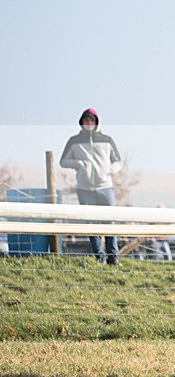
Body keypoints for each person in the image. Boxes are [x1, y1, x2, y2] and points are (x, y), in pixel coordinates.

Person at [59, 108, 123, 265]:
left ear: (96, 122)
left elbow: (118, 161)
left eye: (92, 120)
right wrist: (79, 164)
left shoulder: (107, 139)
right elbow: (63, 161)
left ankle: (113, 257)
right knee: (91, 223)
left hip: (105, 187)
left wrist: (109, 170)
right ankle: (99, 257)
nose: (89, 123)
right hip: (84, 189)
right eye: (86, 121)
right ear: (82, 122)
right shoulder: (74, 141)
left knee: (110, 221)